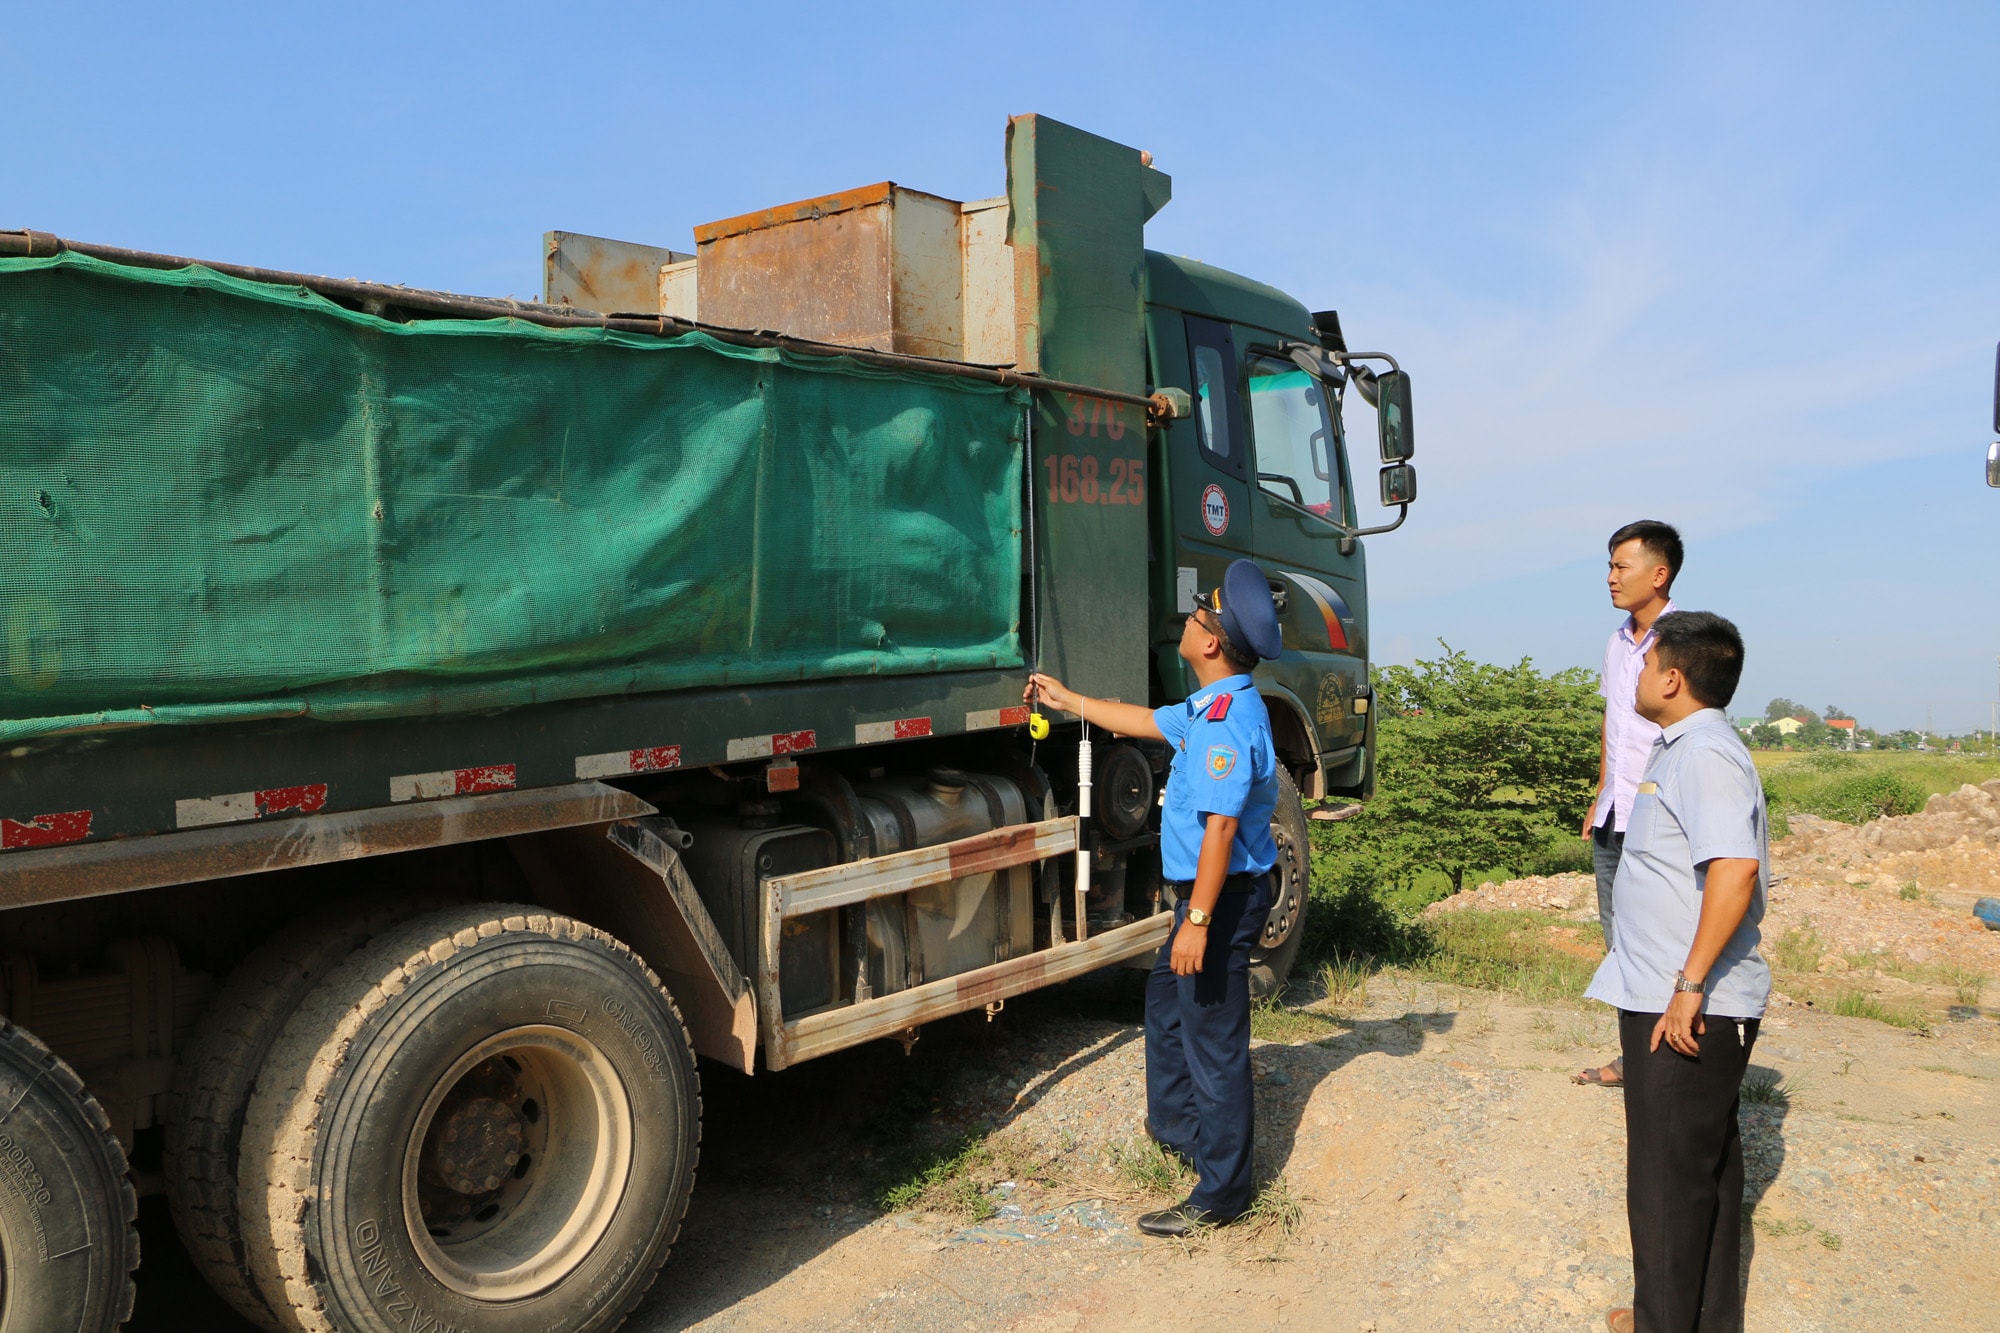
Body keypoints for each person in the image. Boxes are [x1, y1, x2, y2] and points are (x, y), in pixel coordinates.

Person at [1025, 558, 1283, 1237]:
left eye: (1199, 613)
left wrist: (1197, 920)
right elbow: (1141, 718)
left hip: (1220, 897)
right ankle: (1178, 1128)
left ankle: (1223, 1191)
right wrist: (1068, 699)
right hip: (1204, 895)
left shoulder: (1227, 721)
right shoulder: (1209, 704)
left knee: (1212, 1036)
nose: (1191, 617)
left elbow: (1221, 829)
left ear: (1211, 642)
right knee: (1166, 1000)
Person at [1583, 611, 1770, 1333]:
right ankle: (1696, 1318)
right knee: (1704, 1175)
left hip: (1689, 1001)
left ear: (1673, 676)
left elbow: (1733, 868)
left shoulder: (1705, 755)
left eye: (1646, 658)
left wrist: (1688, 985)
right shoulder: (1680, 748)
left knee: (1664, 1185)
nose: (1633, 671)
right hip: (1677, 994)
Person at [1575, 519, 1681, 1088]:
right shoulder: (1617, 643)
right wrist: (1601, 791)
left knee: (1660, 939)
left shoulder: (1682, 640)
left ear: (1658, 573)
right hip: (1615, 811)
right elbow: (1613, 722)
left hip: (1659, 815)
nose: (1610, 577)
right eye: (1610, 566)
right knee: (1619, 942)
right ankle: (1633, 1060)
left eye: (1622, 566)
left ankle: (1668, 1063)